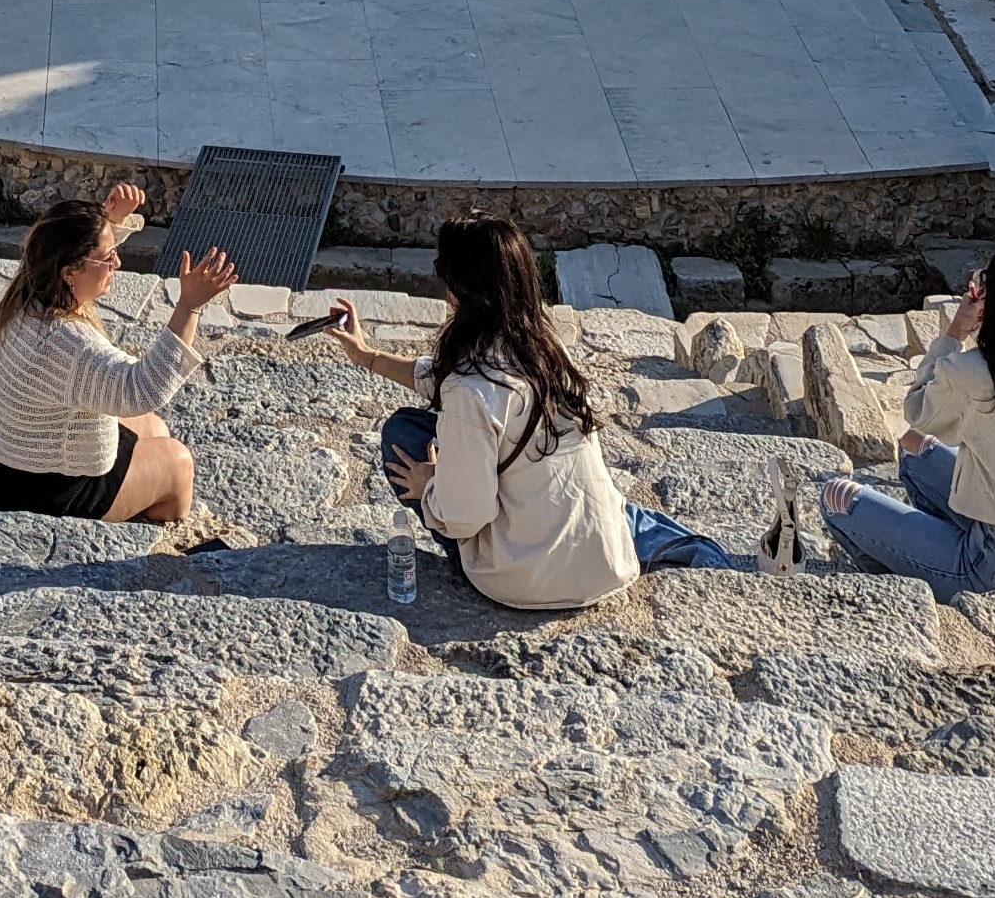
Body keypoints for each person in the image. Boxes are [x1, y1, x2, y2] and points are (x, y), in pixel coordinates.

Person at [319, 216, 744, 606]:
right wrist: (367, 355)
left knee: (403, 433)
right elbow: (449, 380)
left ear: (460, 287)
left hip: (522, 579)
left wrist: (431, 485)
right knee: (659, 530)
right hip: (605, 555)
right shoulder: (542, 348)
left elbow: (467, 515)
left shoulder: (469, 390)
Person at [819, 246, 995, 596]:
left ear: (989, 304)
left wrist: (956, 330)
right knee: (916, 449)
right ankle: (937, 555)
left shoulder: (973, 372)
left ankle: (905, 593)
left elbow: (917, 409)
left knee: (836, 496)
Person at [0, 185, 235, 523]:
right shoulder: (67, 343)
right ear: (69, 272)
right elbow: (144, 389)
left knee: (154, 429)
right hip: (22, 491)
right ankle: (146, 530)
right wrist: (189, 305)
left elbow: (77, 251)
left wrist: (109, 222)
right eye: (107, 257)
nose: (118, 261)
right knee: (178, 465)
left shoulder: (31, 288)